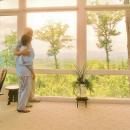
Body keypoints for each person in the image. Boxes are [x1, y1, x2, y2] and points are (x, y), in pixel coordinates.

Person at [14, 27, 40, 102]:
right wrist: (22, 53)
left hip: (27, 64)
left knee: (29, 84)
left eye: (32, 33)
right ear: (26, 33)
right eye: (30, 33)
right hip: (23, 66)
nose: (31, 35)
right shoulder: (21, 41)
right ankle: (24, 103)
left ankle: (29, 99)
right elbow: (15, 52)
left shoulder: (28, 42)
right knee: (24, 87)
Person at [16, 34, 35, 113]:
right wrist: (33, 72)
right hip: (25, 71)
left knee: (22, 89)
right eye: (30, 41)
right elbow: (28, 63)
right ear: (28, 41)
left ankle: (22, 104)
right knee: (26, 89)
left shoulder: (21, 49)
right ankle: (21, 108)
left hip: (20, 71)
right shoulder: (27, 50)